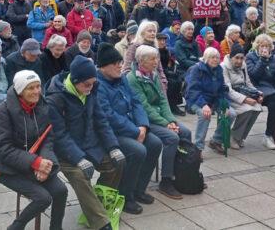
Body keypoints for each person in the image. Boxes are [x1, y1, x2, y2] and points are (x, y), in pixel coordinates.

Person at [46, 56, 126, 230]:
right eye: (86, 84)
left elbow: (101, 120)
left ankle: (98, 205)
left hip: (89, 145)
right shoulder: (55, 98)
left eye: (92, 83)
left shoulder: (92, 89)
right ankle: (101, 222)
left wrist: (113, 147)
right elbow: (60, 136)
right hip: (65, 153)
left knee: (116, 163)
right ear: (75, 82)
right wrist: (79, 158)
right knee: (80, 176)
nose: (90, 88)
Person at [0, 70, 67, 230]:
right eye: (31, 88)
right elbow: (3, 149)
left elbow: (48, 138)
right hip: (6, 167)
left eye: (38, 86)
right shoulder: (3, 111)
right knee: (42, 198)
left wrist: (45, 163)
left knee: (61, 191)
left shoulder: (41, 106)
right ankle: (16, 227)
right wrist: (36, 162)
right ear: (20, 90)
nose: (37, 91)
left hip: (34, 162)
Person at [95, 43, 161, 214]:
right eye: (115, 63)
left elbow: (137, 101)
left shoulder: (121, 79)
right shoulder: (98, 85)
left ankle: (139, 189)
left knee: (154, 144)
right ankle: (126, 195)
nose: (120, 65)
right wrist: (135, 131)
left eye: (120, 62)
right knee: (138, 151)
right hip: (112, 133)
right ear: (103, 66)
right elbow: (108, 115)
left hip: (133, 126)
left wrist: (143, 126)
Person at [126, 44, 191, 199]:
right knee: (172, 137)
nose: (156, 62)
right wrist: (165, 123)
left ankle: (180, 173)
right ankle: (166, 181)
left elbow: (163, 100)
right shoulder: (132, 78)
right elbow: (144, 107)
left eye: (156, 58)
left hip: (161, 117)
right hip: (145, 119)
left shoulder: (153, 74)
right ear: (141, 60)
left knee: (185, 132)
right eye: (152, 59)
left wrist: (171, 120)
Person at [185, 47, 233, 155]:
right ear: (206, 58)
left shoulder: (219, 70)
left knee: (230, 114)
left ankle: (216, 140)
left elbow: (221, 90)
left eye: (217, 57)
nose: (215, 60)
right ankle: (198, 148)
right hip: (196, 100)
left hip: (213, 100)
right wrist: (204, 105)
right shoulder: (196, 69)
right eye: (212, 57)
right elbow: (193, 90)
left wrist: (225, 105)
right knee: (204, 115)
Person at [246, 34, 275, 150]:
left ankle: (268, 135)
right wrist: (263, 60)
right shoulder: (251, 56)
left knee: (274, 104)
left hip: (272, 92)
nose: (264, 49)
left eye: (267, 46)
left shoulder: (274, 58)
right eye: (262, 46)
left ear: (270, 48)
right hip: (257, 88)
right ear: (257, 46)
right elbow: (254, 75)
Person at [221, 44, 262, 149]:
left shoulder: (243, 66)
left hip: (242, 93)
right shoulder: (224, 67)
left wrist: (258, 94)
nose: (239, 61)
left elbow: (248, 83)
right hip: (229, 97)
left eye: (241, 58)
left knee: (257, 108)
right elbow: (228, 89)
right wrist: (245, 99)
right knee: (247, 109)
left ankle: (241, 137)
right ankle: (234, 137)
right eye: (236, 58)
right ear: (231, 57)